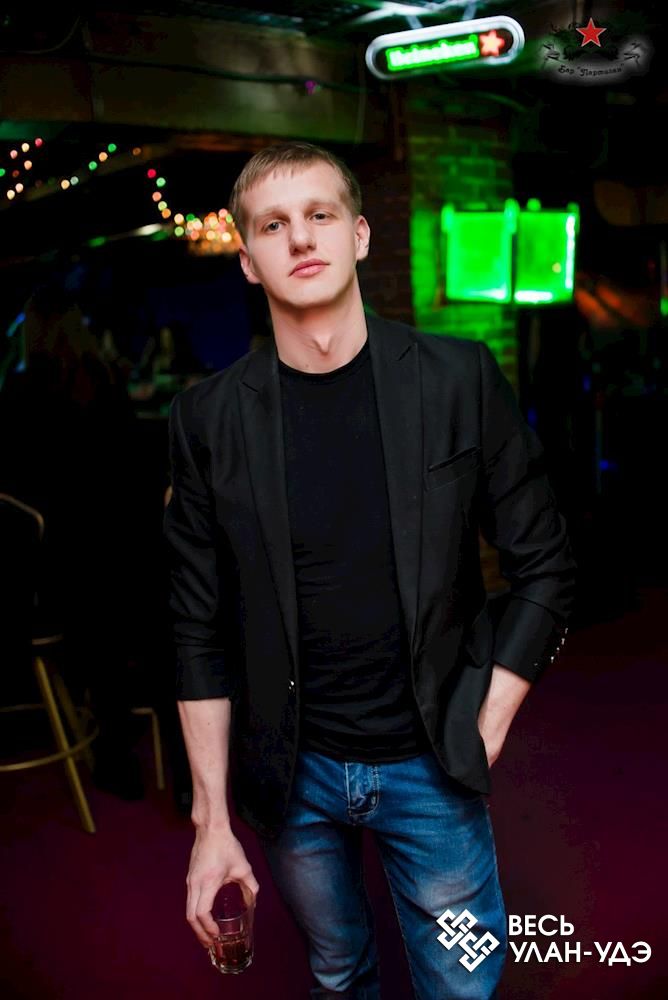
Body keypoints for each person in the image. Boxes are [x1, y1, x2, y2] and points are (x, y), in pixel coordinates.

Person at [164, 142, 577, 999]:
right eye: (272, 225)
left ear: (357, 235)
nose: (299, 237)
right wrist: (210, 819)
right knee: (338, 973)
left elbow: (546, 566)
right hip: (292, 769)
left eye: (319, 215)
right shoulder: (207, 417)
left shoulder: (459, 378)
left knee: (461, 985)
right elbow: (195, 624)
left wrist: (487, 723)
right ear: (248, 261)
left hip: (429, 757)